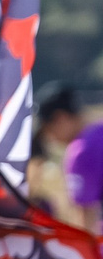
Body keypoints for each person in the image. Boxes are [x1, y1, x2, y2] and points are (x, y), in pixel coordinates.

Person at [36, 84, 99, 231]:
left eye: (48, 130)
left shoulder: (81, 151)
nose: (50, 138)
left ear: (60, 118)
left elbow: (85, 217)